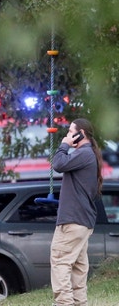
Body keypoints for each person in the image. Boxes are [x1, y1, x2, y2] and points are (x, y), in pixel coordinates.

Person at [50, 118, 103, 306]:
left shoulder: (84, 153)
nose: (67, 134)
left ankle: (64, 303)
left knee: (60, 262)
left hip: (73, 221)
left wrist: (64, 145)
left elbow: (58, 164)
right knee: (78, 268)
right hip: (82, 221)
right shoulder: (87, 154)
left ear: (81, 133)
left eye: (71, 131)